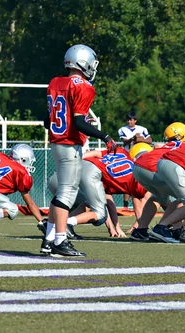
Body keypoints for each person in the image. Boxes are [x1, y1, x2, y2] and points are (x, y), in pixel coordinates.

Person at [43, 44, 117, 257]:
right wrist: (104, 136)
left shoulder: (56, 82)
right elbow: (78, 123)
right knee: (67, 192)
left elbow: (47, 120)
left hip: (56, 142)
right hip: (69, 144)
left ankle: (48, 240)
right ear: (83, 63)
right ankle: (59, 241)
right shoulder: (83, 86)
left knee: (61, 192)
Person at [118, 111, 152, 211]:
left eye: (131, 120)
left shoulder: (142, 129)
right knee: (129, 180)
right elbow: (124, 141)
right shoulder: (123, 129)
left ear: (135, 120)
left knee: (143, 179)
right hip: (129, 155)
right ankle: (125, 205)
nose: (129, 122)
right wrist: (133, 138)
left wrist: (140, 139)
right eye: (128, 120)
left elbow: (149, 140)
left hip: (141, 155)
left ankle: (144, 202)